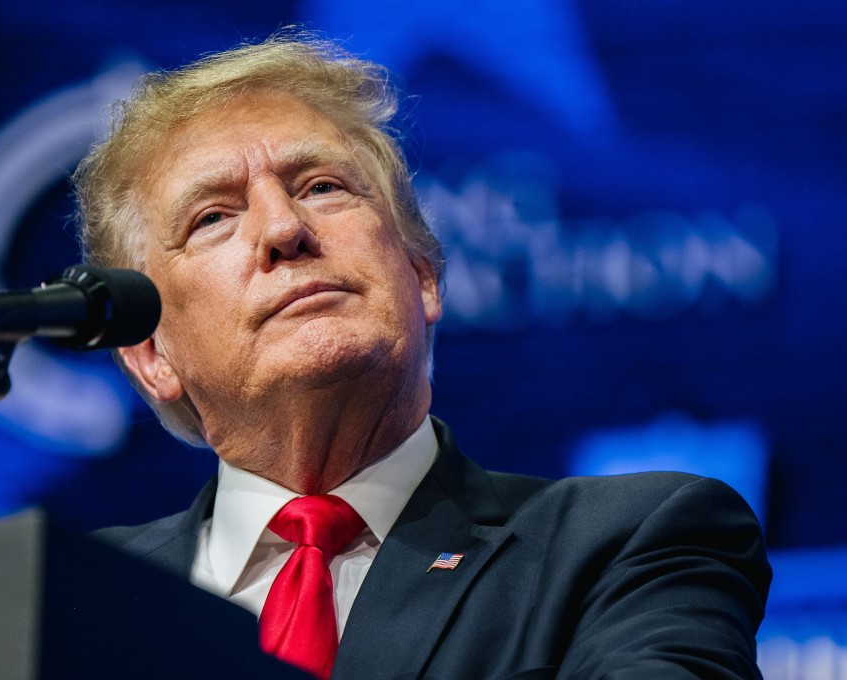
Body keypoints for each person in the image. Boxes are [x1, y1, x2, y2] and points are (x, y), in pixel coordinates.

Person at [81, 30, 771, 680]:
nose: (285, 229)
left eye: (323, 187)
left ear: (422, 276)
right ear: (150, 354)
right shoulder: (81, 598)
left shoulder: (626, 544)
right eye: (213, 217)